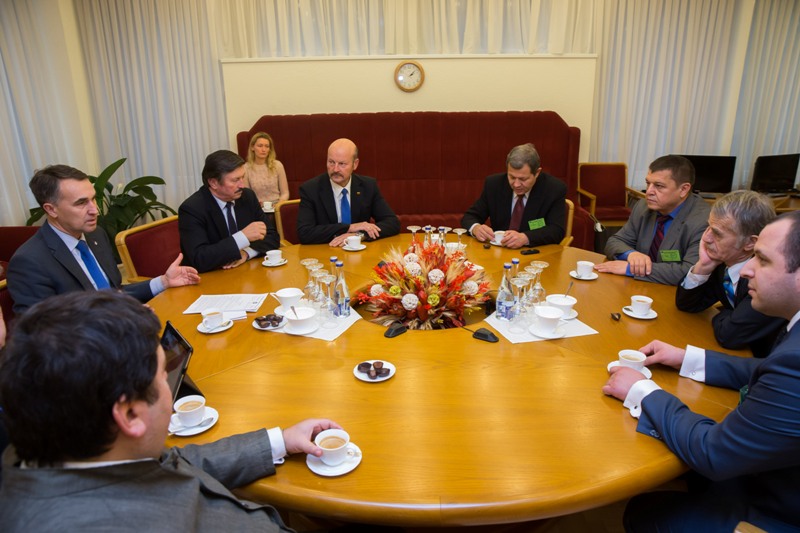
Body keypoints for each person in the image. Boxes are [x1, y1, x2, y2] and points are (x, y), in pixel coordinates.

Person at [0, 290, 342, 531]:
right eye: (164, 375)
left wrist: (279, 440)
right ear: (130, 415)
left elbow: (171, 465)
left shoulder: (73, 450)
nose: (172, 386)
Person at [602, 211, 800, 531]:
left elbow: (714, 452)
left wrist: (643, 391)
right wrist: (688, 358)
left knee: (644, 512)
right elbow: (766, 369)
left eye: (762, 260)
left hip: (776, 507)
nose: (747, 269)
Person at [7, 165, 200, 315]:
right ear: (51, 209)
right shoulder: (29, 262)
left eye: (93, 199)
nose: (95, 210)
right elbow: (41, 334)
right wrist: (117, 320)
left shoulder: (95, 234)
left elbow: (113, 292)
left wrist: (163, 282)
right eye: (81, 203)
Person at [676, 190, 784, 358]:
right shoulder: (724, 261)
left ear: (750, 243)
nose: (707, 239)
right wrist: (703, 266)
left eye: (717, 233)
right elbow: (687, 305)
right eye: (708, 228)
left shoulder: (767, 278)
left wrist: (724, 314)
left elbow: (730, 336)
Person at [597, 155, 710, 285]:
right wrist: (631, 255)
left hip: (675, 294)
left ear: (683, 189)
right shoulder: (643, 206)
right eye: (648, 183)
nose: (649, 191)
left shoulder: (703, 222)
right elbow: (615, 241)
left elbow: (690, 272)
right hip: (639, 288)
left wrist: (630, 269)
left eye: (659, 186)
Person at [179, 150, 280, 273]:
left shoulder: (247, 197)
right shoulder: (192, 209)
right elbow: (199, 258)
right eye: (235, 180)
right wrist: (242, 237)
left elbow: (272, 237)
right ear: (213, 182)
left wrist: (247, 253)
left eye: (243, 177)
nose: (242, 185)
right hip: (210, 279)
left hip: (246, 274)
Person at [461, 143, 567, 249]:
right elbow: (469, 217)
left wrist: (525, 238)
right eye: (511, 177)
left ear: (537, 173)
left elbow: (556, 230)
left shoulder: (554, 189)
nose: (516, 184)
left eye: (523, 179)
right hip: (497, 253)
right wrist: (476, 228)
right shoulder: (494, 184)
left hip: (533, 254)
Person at [297, 138, 399, 246]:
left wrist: (359, 235)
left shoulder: (367, 186)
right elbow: (305, 233)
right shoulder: (310, 189)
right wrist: (350, 227)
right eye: (331, 162)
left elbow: (392, 223)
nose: (335, 169)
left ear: (355, 164)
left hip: (360, 253)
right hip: (326, 252)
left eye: (342, 164)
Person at [243, 132, 290, 206]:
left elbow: (285, 193)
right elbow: (246, 195)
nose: (264, 149)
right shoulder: (245, 168)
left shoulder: (277, 165)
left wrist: (279, 204)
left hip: (277, 206)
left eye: (267, 146)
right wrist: (256, 205)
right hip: (257, 207)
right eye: (260, 146)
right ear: (252, 147)